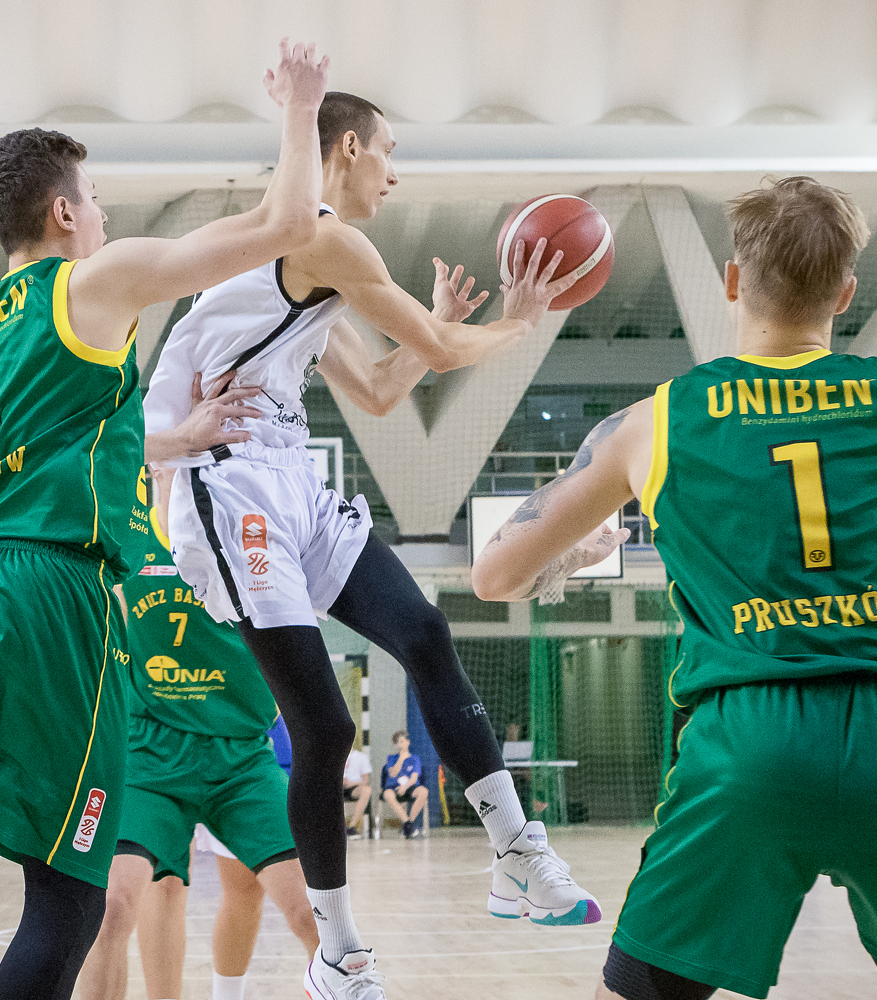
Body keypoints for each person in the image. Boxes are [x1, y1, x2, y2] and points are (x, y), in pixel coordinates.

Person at [471, 175, 877, 1000]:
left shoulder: (654, 423)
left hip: (752, 740)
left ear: (732, 280)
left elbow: (494, 574)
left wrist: (577, 556)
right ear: (845, 293)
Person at [0, 41, 330, 1000]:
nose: (106, 218)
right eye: (98, 202)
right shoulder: (94, 282)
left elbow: (54, 448)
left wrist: (175, 439)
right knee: (72, 895)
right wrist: (301, 109)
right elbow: (285, 225)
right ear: (64, 212)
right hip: (52, 595)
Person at [145, 89, 600, 1000]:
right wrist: (518, 317)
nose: (395, 173)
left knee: (424, 632)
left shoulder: (303, 266)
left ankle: (516, 850)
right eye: (389, 151)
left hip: (288, 475)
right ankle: (339, 951)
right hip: (225, 484)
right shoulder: (322, 239)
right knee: (323, 725)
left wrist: (433, 329)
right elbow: (441, 346)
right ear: (347, 148)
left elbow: (383, 389)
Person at [80, 465, 317, 1000]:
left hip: (241, 758)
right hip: (150, 754)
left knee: (315, 913)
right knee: (113, 907)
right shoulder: (123, 525)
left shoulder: (258, 526)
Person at [380, 731, 428, 838]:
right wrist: (401, 759)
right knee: (388, 794)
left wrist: (405, 787)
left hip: (409, 787)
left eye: (401, 741)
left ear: (408, 742)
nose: (399, 745)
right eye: (397, 743)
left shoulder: (415, 759)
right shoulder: (391, 758)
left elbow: (414, 778)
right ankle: (407, 824)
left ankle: (409, 824)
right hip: (393, 787)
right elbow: (393, 773)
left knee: (423, 792)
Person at [342, 744, 371, 838]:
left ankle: (352, 826)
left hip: (353, 787)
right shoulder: (334, 755)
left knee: (366, 790)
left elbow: (365, 779)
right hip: (337, 787)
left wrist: (351, 783)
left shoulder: (361, 757)